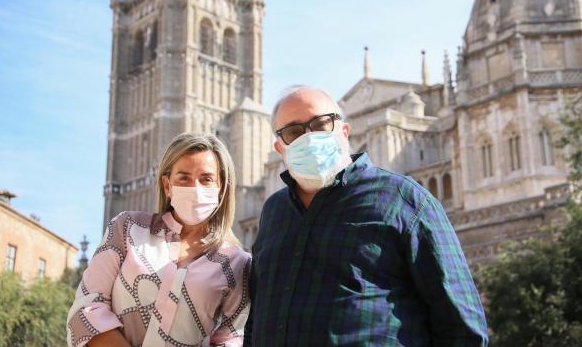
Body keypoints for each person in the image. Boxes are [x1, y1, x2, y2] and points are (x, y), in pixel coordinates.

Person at [244, 86, 488, 346]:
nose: (309, 138)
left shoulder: (404, 199)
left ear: (345, 132)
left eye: (321, 124)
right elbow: (257, 313)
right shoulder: (274, 211)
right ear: (280, 148)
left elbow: (462, 328)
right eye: (294, 132)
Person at [67, 132, 250, 347]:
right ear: (167, 185)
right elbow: (86, 309)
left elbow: (231, 340)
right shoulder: (126, 229)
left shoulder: (237, 263)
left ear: (221, 189)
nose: (195, 188)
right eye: (184, 178)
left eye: (206, 179)